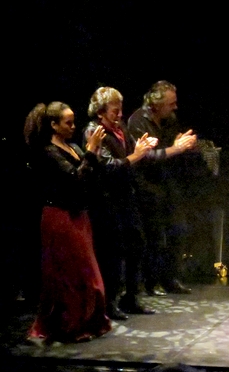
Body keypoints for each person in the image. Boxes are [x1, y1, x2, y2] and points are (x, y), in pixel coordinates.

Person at [84, 87, 198, 319]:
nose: (119, 114)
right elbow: (109, 167)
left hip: (127, 196)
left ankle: (131, 298)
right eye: (114, 111)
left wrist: (144, 147)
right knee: (114, 253)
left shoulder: (120, 128)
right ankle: (109, 302)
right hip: (108, 200)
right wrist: (137, 154)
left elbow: (140, 152)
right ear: (100, 112)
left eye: (120, 110)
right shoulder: (94, 132)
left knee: (137, 245)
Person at [23, 101, 112, 343]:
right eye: (67, 122)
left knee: (86, 273)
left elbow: (91, 176)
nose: (73, 126)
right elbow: (74, 179)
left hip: (78, 215)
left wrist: (95, 153)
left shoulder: (73, 147)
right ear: (53, 125)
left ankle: (88, 321)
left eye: (74, 121)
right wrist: (91, 152)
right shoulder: (48, 152)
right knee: (69, 275)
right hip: (59, 216)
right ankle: (68, 326)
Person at [127, 80, 198, 295]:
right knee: (155, 236)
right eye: (171, 103)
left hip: (167, 181)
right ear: (156, 104)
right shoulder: (138, 121)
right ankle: (151, 282)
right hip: (147, 184)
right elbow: (145, 157)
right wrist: (176, 148)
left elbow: (171, 148)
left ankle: (171, 278)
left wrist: (183, 144)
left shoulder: (169, 119)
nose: (175, 107)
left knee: (178, 229)